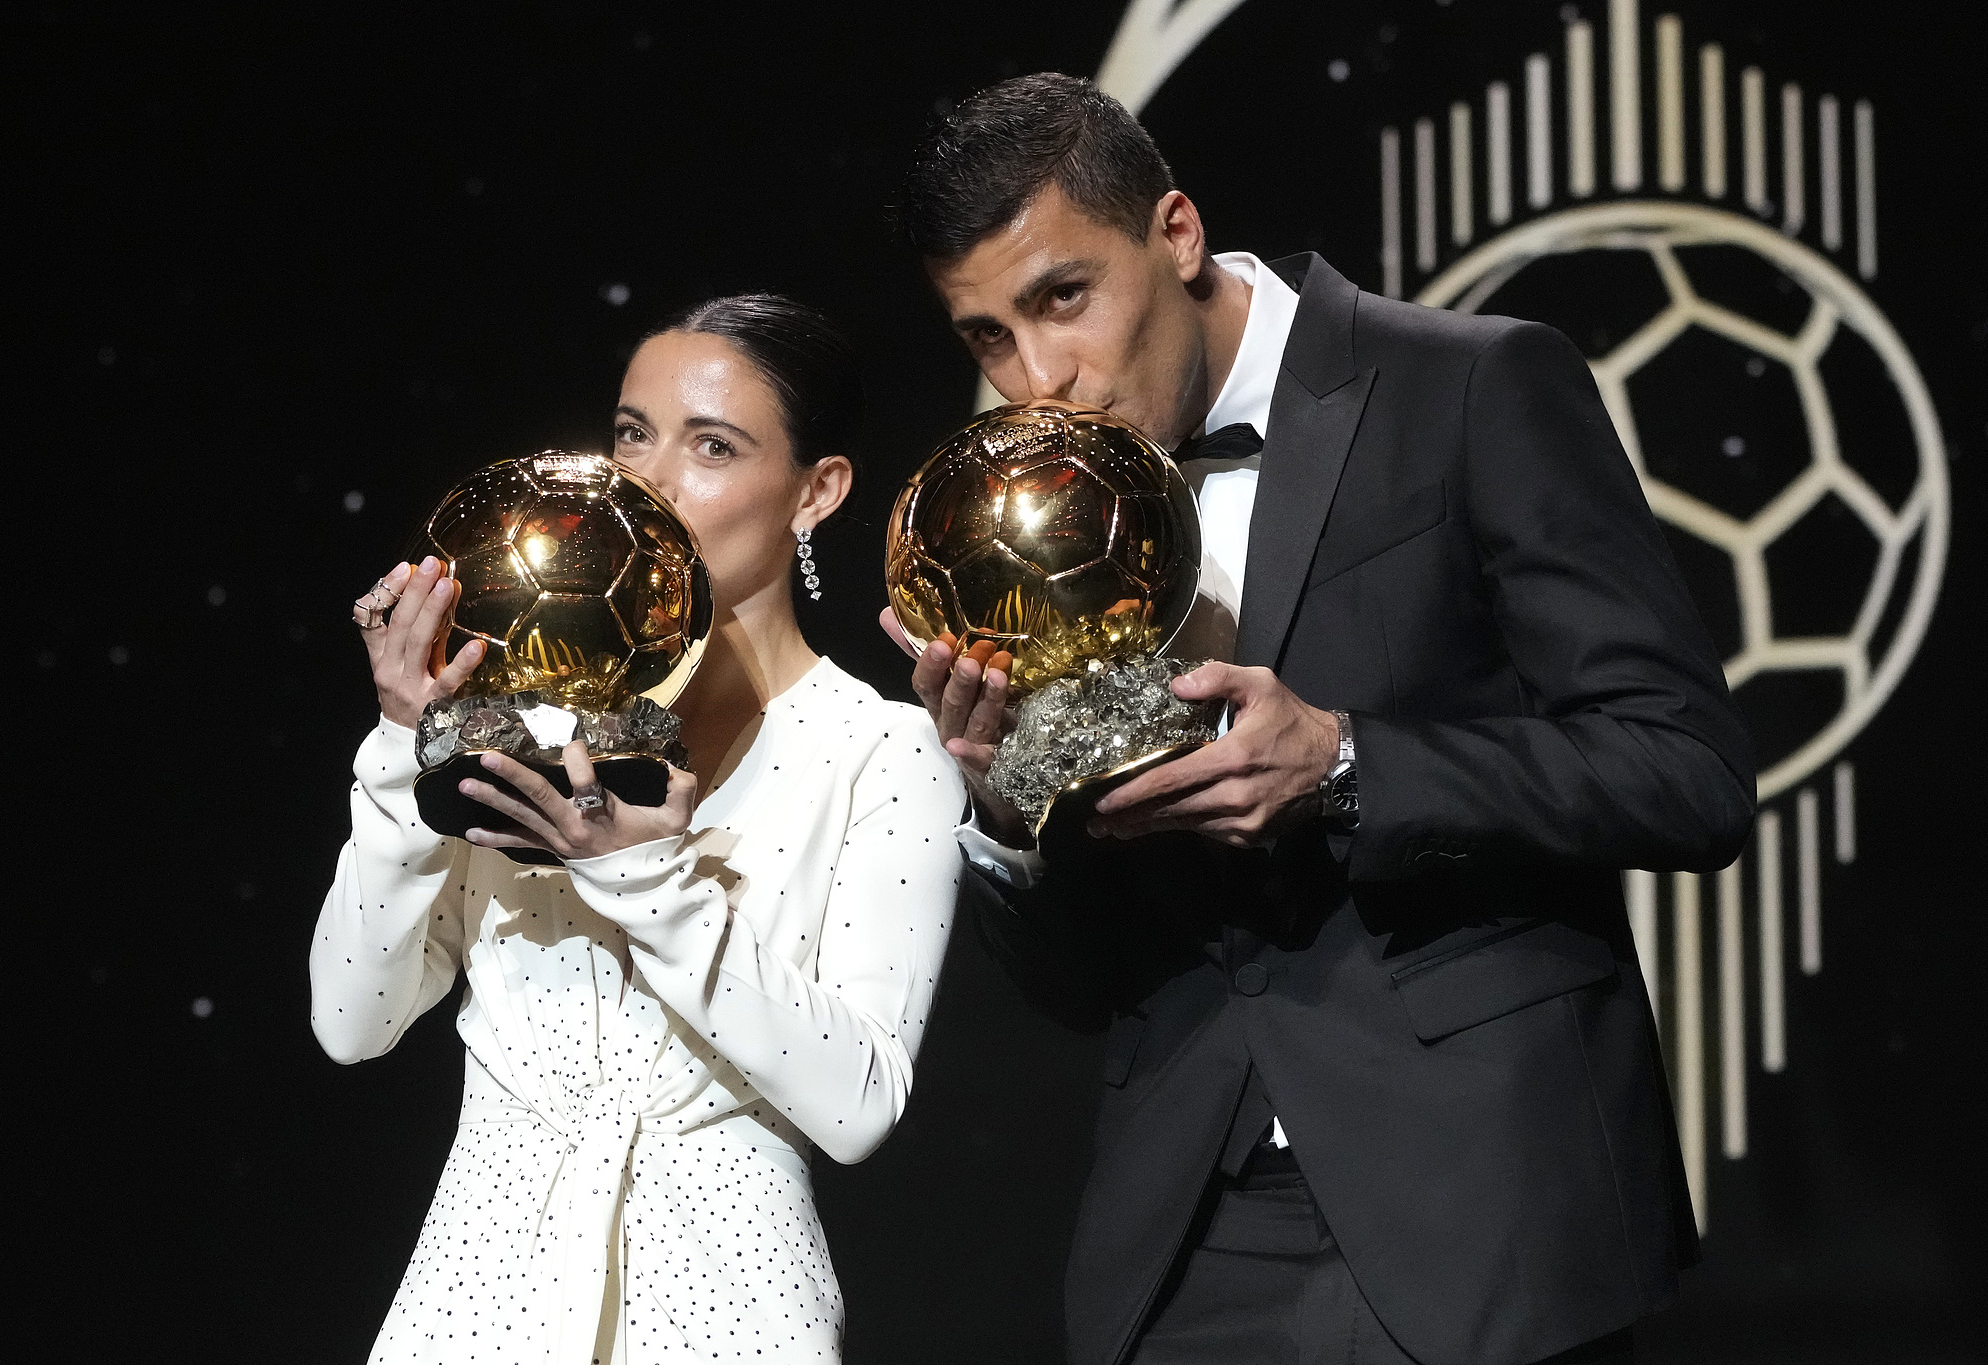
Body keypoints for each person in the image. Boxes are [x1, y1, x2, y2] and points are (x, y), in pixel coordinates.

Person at [889, 75, 1755, 1365]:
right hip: (1184, 1235)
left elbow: (1682, 773)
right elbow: (1079, 987)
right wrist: (1010, 812)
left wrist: (1346, 760)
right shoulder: (1022, 529)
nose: (1039, 380)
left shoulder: (1472, 386)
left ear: (1174, 233)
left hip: (1482, 1209)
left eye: (1062, 298)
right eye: (986, 339)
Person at [313, 293, 964, 1364]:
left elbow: (856, 1105)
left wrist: (649, 878)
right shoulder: (519, 713)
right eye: (630, 433)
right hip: (472, 1306)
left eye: (711, 445)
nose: (645, 480)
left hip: (725, 1313)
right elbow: (350, 1022)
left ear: (816, 492)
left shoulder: (875, 751)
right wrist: (398, 747)